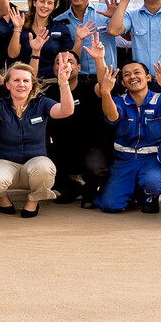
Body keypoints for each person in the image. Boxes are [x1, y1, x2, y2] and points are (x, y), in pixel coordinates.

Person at [0, 57, 76, 218]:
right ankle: (1, 196)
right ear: (8, 85)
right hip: (4, 161)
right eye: (16, 80)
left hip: (35, 162)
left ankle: (34, 200)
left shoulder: (41, 103)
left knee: (46, 169)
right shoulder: (0, 102)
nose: (21, 84)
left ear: (32, 85)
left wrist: (63, 82)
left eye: (26, 81)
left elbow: (66, 111)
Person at [94, 60, 161, 214]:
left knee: (154, 183)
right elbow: (112, 117)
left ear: (148, 78)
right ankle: (131, 192)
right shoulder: (120, 101)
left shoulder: (160, 99)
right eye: (127, 75)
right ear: (124, 83)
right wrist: (105, 93)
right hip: (124, 160)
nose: (132, 77)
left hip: (152, 160)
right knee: (109, 205)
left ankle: (148, 196)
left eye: (137, 72)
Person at [49, 41, 114, 209]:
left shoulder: (89, 87)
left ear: (78, 68)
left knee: (95, 170)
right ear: (54, 69)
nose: (63, 64)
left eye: (69, 61)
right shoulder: (49, 93)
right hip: (62, 149)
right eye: (59, 62)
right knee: (37, 163)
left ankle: (91, 190)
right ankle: (72, 189)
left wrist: (99, 59)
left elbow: (104, 86)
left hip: (91, 148)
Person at [8, 0, 76, 80]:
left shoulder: (61, 29)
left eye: (50, 3)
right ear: (35, 2)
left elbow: (69, 58)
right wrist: (17, 28)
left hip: (53, 81)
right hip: (26, 81)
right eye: (42, 1)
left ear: (54, 6)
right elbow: (12, 54)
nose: (45, 6)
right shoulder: (22, 26)